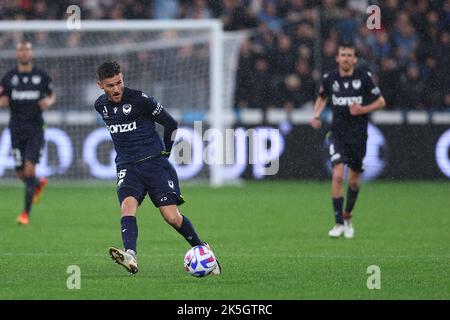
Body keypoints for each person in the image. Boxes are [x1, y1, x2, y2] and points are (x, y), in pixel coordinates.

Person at [94, 61, 221, 275]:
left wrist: (167, 152)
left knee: (171, 217)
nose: (116, 89)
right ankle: (130, 255)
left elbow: (171, 123)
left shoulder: (140, 100)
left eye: (119, 83)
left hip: (154, 164)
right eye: (110, 86)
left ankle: (202, 249)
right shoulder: (100, 106)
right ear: (100, 86)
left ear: (123, 78)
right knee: (127, 207)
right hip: (127, 166)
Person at [310, 43, 386, 239]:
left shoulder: (363, 77)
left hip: (358, 136)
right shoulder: (329, 78)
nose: (345, 58)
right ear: (337, 58)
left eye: (349, 55)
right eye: (342, 54)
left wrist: (362, 110)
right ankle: (338, 223)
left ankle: (348, 216)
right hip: (337, 134)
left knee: (353, 180)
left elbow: (381, 102)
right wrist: (316, 114)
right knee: (337, 175)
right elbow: (322, 97)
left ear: (354, 59)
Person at [0, 41, 55, 225]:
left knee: (30, 168)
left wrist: (48, 102)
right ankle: (38, 185)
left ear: (31, 54)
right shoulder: (9, 77)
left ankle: (25, 214)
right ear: (17, 54)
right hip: (16, 129)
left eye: (26, 50)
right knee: (21, 173)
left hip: (35, 129)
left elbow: (51, 94)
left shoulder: (41, 76)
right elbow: (1, 96)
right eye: (20, 50)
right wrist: (3, 100)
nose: (23, 53)